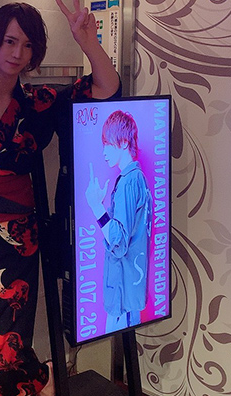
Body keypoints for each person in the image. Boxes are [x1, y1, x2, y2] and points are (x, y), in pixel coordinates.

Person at [0, 0, 120, 396]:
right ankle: (39, 381)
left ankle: (35, 382)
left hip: (22, 238)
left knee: (15, 336)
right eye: (10, 41)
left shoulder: (37, 102)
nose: (18, 53)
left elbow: (106, 89)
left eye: (28, 45)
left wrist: (88, 42)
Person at [85, 110, 152, 333]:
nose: (103, 152)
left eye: (107, 143)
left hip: (123, 294)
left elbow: (119, 243)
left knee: (120, 338)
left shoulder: (128, 183)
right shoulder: (138, 179)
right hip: (129, 290)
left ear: (123, 142)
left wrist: (97, 207)